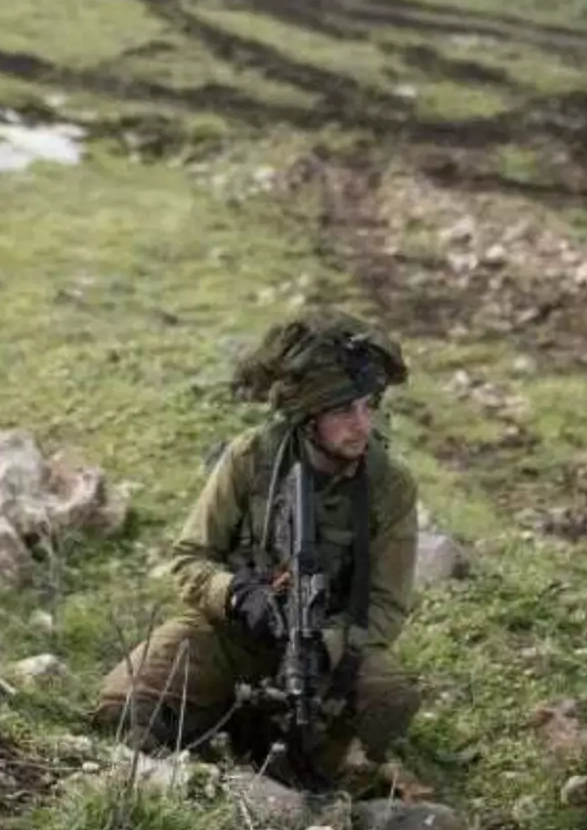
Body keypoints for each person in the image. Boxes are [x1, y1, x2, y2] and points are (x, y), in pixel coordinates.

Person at [95, 310, 426, 794]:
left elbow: (387, 607)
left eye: (368, 406)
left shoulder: (389, 486)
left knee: (386, 699)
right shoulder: (250, 457)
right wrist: (236, 594)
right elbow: (190, 558)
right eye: (343, 411)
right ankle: (205, 741)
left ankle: (313, 762)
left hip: (327, 654)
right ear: (308, 416)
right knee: (123, 705)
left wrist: (324, 642)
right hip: (231, 635)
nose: (361, 425)